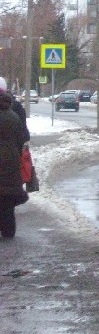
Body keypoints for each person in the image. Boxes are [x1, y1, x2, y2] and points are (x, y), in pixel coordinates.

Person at [0, 91, 29, 239]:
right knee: (7, 199)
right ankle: (8, 230)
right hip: (11, 161)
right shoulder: (14, 116)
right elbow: (22, 138)